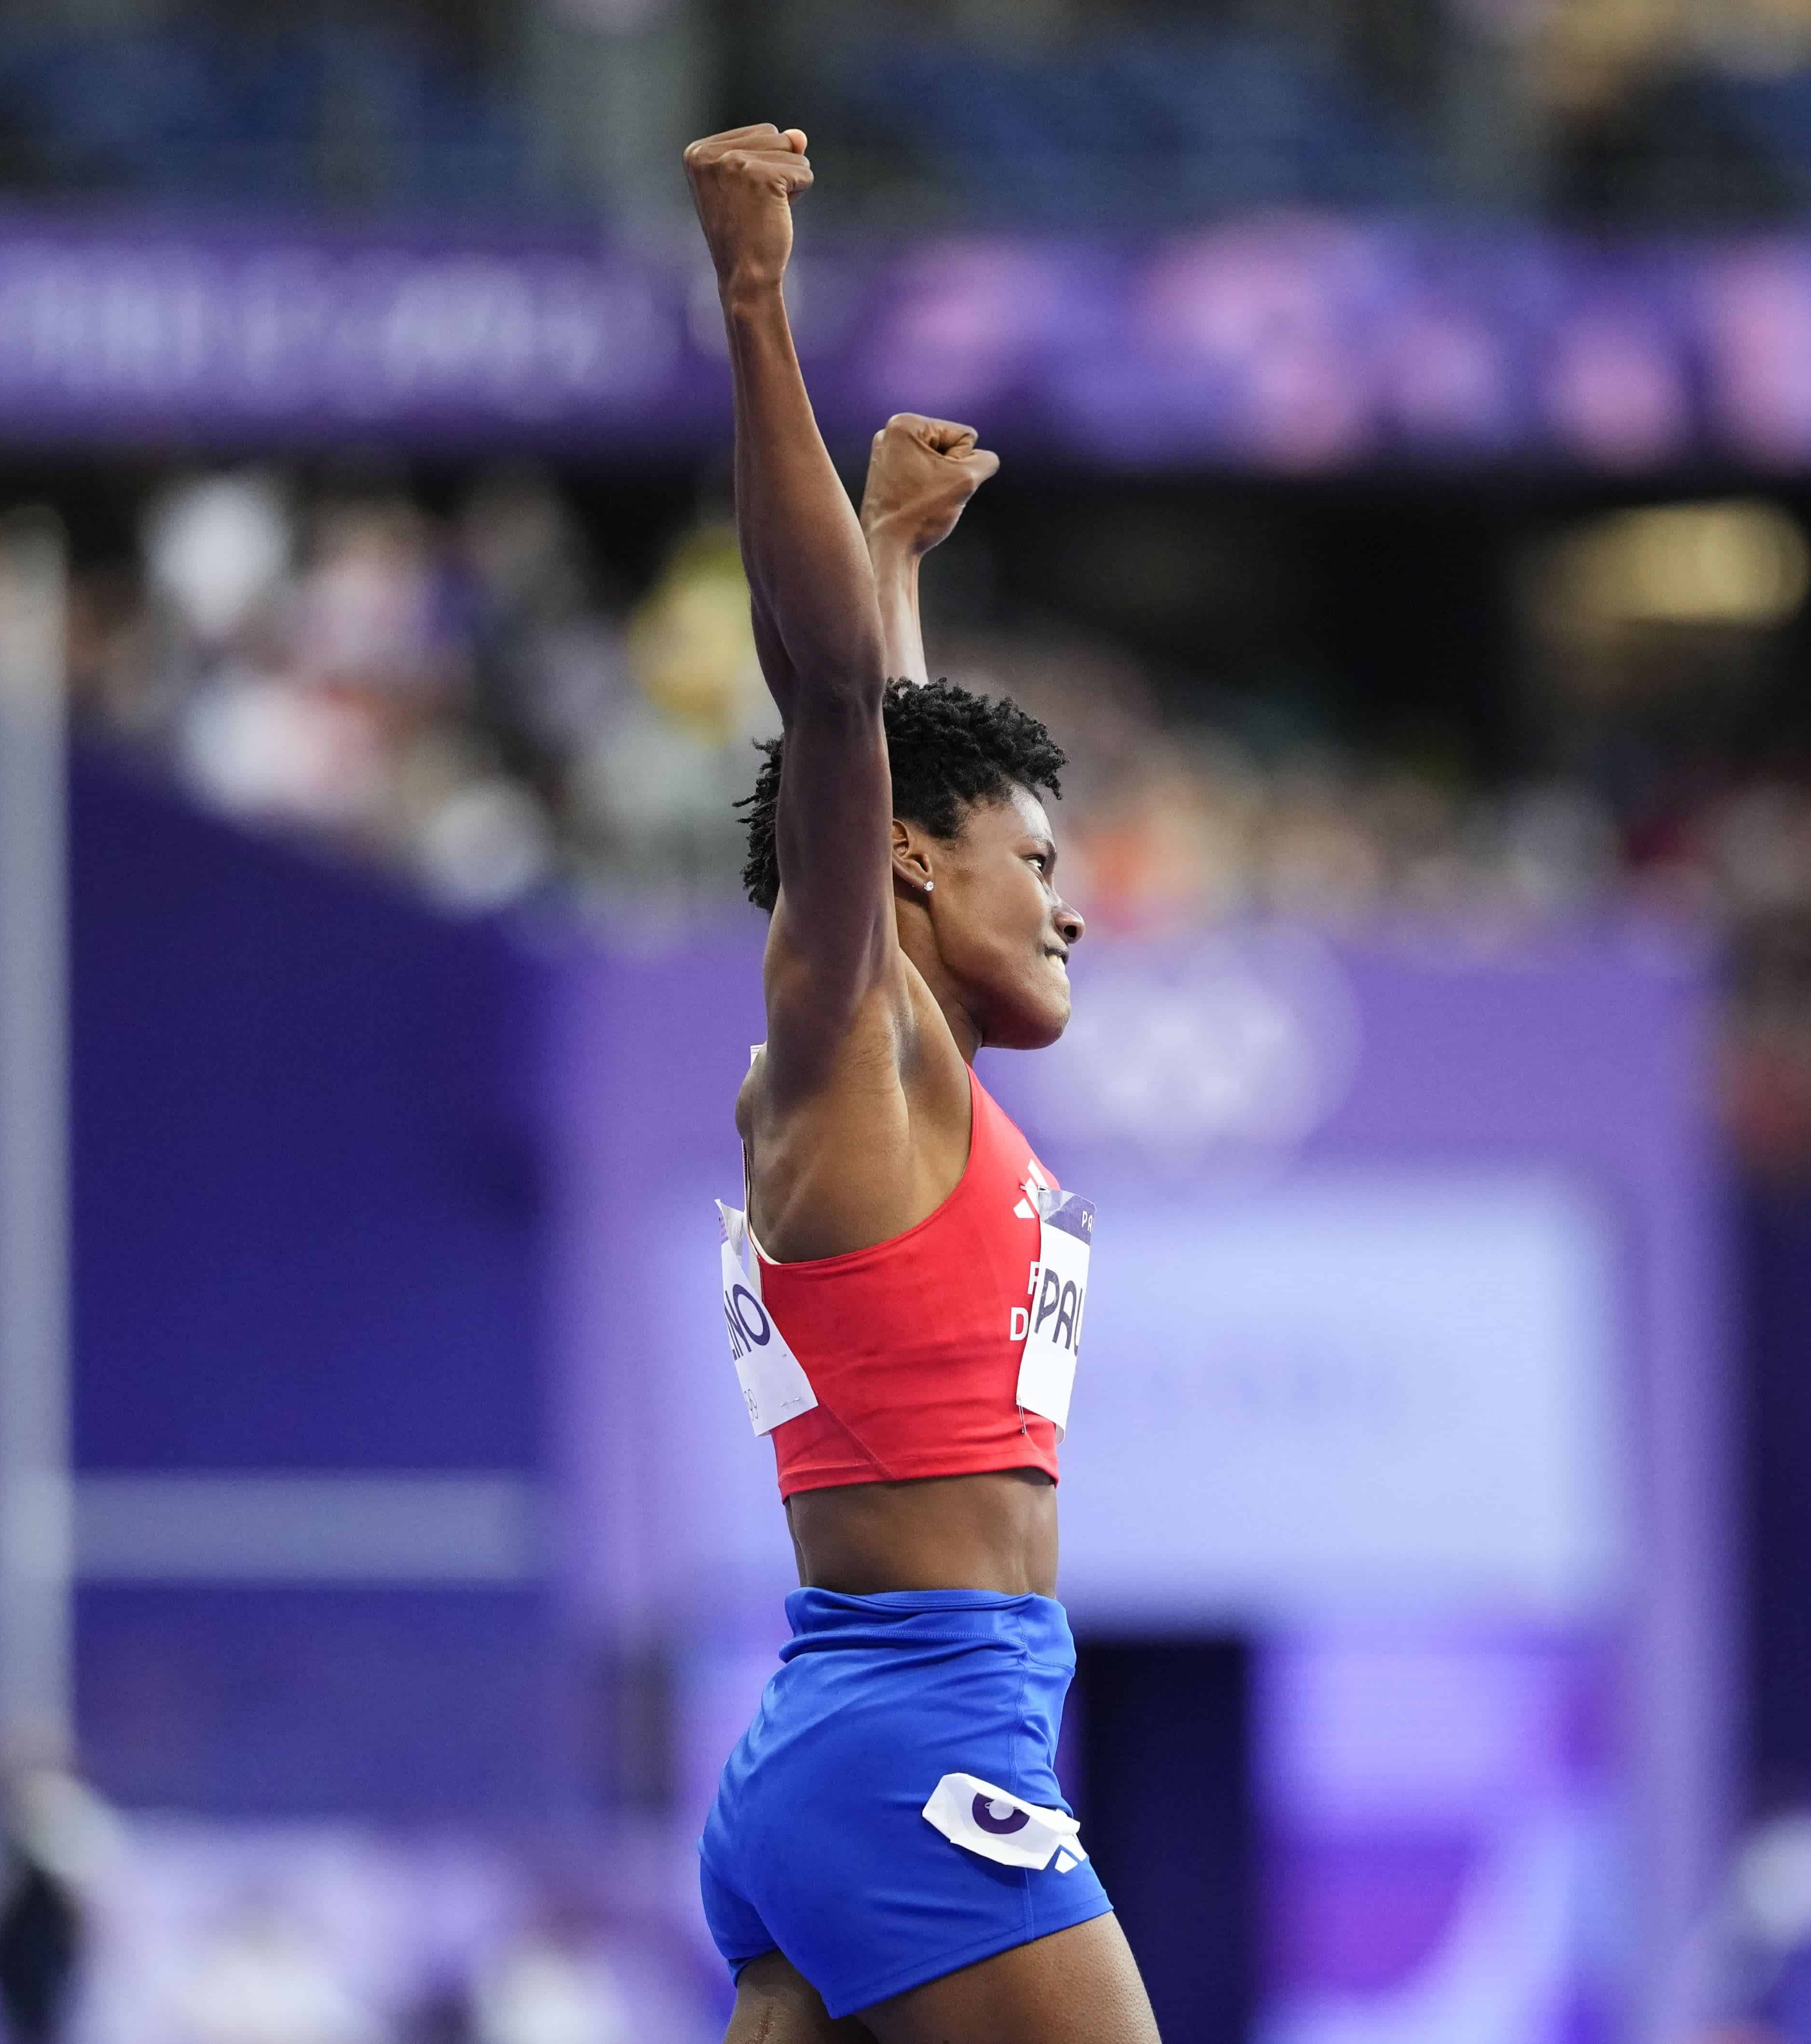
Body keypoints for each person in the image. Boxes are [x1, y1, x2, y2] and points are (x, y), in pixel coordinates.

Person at [680, 124, 1165, 2044]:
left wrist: (889, 559)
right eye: (1035, 867)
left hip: (853, 1736)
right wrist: (753, 301)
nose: (1068, 907)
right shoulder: (843, 1040)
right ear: (899, 869)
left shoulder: (904, 1063)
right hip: (911, 1737)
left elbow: (895, 764)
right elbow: (833, 726)